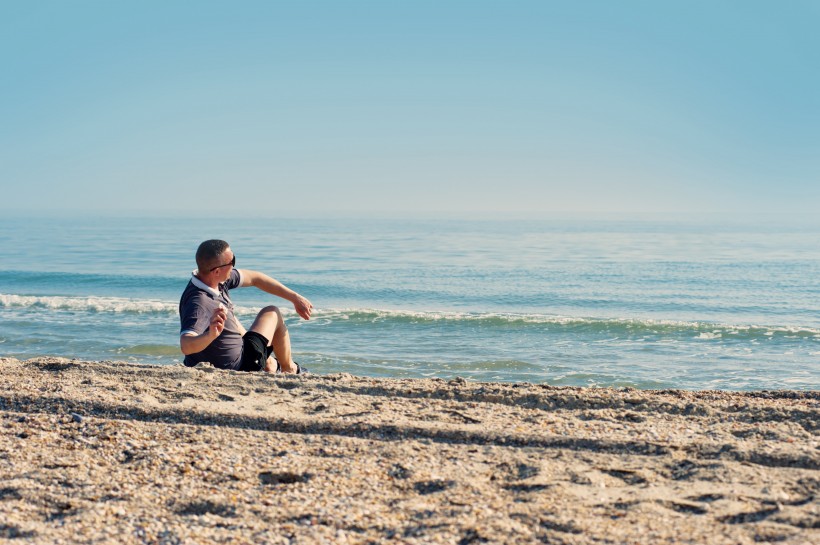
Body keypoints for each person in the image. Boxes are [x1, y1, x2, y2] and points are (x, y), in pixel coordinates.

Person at [179, 239, 312, 373]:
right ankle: (289, 368)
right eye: (231, 263)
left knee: (230, 317)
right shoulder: (199, 302)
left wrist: (295, 298)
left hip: (230, 352)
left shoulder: (214, 280)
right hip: (240, 365)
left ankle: (270, 363)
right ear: (217, 271)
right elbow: (186, 345)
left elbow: (256, 278)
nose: (233, 267)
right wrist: (210, 335)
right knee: (272, 313)